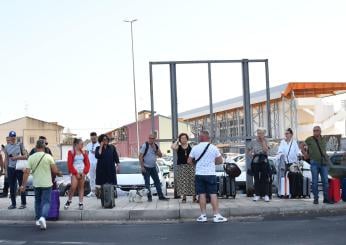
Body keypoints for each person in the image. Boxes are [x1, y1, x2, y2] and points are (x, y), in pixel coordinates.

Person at [20, 140, 61, 230]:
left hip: (36, 183)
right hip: (47, 184)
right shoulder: (48, 156)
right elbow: (54, 171)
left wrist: (23, 185)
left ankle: (38, 219)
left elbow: (26, 173)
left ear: (36, 147)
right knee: (46, 202)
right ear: (44, 147)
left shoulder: (31, 157)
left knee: (37, 201)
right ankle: (43, 217)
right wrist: (59, 173)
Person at [187, 130, 227, 223]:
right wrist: (213, 163)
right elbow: (220, 161)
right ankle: (216, 215)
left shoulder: (195, 148)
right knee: (213, 194)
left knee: (201, 195)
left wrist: (196, 165)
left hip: (199, 174)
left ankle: (203, 216)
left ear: (200, 137)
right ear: (208, 137)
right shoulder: (213, 148)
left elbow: (189, 161)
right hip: (210, 174)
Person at [305, 126, 333, 205]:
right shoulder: (309, 139)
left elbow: (324, 151)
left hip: (324, 163)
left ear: (320, 131)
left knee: (325, 182)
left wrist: (328, 161)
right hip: (314, 163)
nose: (315, 132)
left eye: (317, 130)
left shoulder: (323, 139)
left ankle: (326, 198)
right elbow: (302, 145)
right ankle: (316, 199)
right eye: (314, 130)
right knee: (314, 182)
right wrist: (305, 154)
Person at [139, 133, 169, 202]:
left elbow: (160, 155)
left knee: (157, 182)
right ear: (148, 138)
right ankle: (149, 197)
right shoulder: (145, 146)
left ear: (154, 139)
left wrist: (155, 149)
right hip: (146, 167)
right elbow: (140, 156)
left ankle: (161, 196)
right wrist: (142, 167)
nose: (151, 140)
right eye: (150, 138)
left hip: (153, 167)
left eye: (152, 138)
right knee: (147, 183)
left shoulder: (156, 146)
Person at [64, 138, 90, 210]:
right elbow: (69, 164)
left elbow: (87, 164)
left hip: (82, 172)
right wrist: (75, 173)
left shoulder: (84, 152)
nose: (82, 145)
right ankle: (69, 201)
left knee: (81, 187)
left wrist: (85, 172)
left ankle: (80, 203)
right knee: (73, 187)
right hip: (74, 172)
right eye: (81, 144)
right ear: (76, 144)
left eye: (82, 144)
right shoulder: (71, 152)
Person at [4, 131, 28, 209]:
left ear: (15, 137)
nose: (13, 138)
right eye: (12, 137)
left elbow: (26, 156)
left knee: (21, 185)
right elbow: (6, 159)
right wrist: (6, 171)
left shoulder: (20, 145)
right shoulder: (6, 147)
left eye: (14, 137)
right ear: (9, 137)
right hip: (11, 168)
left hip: (19, 168)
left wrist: (16, 157)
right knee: (11, 187)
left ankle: (23, 203)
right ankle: (13, 204)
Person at [171, 133, 196, 203]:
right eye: (182, 138)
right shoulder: (178, 147)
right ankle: (184, 197)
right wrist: (177, 141)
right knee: (183, 182)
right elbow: (172, 147)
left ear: (187, 139)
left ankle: (194, 197)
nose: (183, 139)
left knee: (192, 181)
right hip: (181, 166)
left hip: (190, 166)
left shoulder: (191, 146)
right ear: (180, 139)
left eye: (185, 138)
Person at [95, 134, 119, 206]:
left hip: (110, 169)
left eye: (106, 139)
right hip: (101, 170)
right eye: (103, 139)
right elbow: (98, 155)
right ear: (101, 141)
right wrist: (101, 147)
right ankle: (104, 203)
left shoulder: (112, 147)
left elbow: (115, 156)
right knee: (102, 186)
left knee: (111, 185)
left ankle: (112, 202)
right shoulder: (98, 148)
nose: (105, 140)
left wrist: (118, 164)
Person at [247, 128, 271, 202]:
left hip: (263, 158)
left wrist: (263, 141)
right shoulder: (253, 142)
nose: (260, 135)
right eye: (258, 133)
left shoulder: (266, 141)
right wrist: (250, 154)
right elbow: (248, 150)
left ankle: (265, 195)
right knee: (256, 178)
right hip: (256, 159)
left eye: (261, 133)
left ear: (264, 134)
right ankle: (257, 194)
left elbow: (266, 150)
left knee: (265, 177)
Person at [85, 132, 100, 197]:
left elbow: (100, 153)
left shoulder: (99, 145)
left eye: (94, 138)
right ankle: (92, 191)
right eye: (92, 138)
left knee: (98, 177)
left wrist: (96, 152)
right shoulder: (88, 145)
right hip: (90, 164)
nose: (93, 139)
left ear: (96, 137)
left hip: (98, 163)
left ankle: (98, 192)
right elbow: (86, 154)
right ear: (90, 138)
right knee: (91, 178)